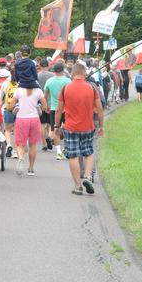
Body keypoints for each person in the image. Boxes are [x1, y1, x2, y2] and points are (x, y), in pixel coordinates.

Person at [54, 62, 104, 196]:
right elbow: (99, 109)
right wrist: (101, 126)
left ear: (72, 74)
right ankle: (87, 177)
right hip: (88, 127)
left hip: (70, 128)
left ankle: (77, 186)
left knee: (73, 156)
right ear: (84, 74)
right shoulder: (92, 89)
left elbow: (59, 110)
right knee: (88, 153)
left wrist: (56, 126)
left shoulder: (65, 88)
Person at [13, 82, 48, 176]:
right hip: (34, 119)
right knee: (33, 145)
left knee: (20, 143)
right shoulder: (38, 91)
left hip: (21, 118)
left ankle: (20, 158)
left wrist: (17, 105)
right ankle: (31, 169)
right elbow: (45, 106)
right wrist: (39, 107)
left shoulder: (18, 90)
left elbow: (12, 104)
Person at [44, 62, 71, 160]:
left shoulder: (49, 81)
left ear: (54, 70)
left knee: (54, 129)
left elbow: (45, 96)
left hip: (54, 108)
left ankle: (59, 151)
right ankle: (66, 148)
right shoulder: (68, 81)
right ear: (63, 70)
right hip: (66, 108)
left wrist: (45, 106)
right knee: (68, 129)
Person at [0, 67, 19, 158]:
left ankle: (9, 145)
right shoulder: (21, 83)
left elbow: (0, 98)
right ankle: (16, 151)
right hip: (19, 109)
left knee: (7, 130)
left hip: (8, 108)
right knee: (16, 131)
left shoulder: (5, 83)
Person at [37, 58, 54, 151]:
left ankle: (44, 144)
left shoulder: (37, 76)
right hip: (51, 102)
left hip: (40, 102)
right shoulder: (52, 76)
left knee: (42, 124)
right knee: (50, 123)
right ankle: (50, 138)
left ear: (40, 66)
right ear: (48, 65)